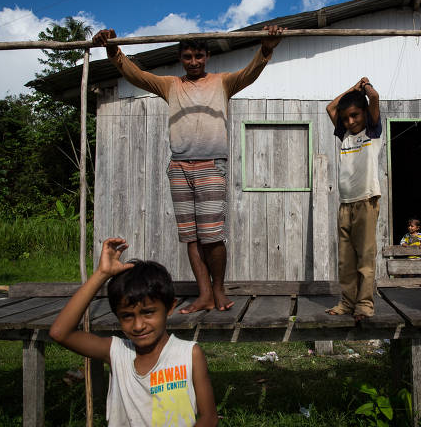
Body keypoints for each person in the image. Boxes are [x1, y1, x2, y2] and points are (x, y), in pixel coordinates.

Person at [93, 26, 284, 313]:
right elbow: (137, 76)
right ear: (181, 58)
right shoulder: (171, 85)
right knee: (191, 236)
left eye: (198, 56)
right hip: (179, 167)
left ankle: (218, 290)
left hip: (210, 164)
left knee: (212, 236)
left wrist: (266, 48)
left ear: (207, 56)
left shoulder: (223, 82)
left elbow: (250, 73)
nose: (193, 62)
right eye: (187, 57)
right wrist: (113, 52)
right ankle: (204, 293)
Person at [50, 238, 218, 426]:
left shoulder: (188, 354)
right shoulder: (117, 352)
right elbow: (60, 333)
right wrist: (101, 274)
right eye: (127, 316)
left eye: (148, 312)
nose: (138, 326)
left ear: (170, 307)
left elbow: (209, 418)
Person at [325, 77, 382, 321]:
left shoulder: (372, 130)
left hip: (367, 201)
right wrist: (352, 88)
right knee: (346, 259)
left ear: (364, 113)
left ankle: (365, 305)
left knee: (365, 258)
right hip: (345, 204)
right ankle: (347, 303)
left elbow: (375, 98)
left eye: (355, 115)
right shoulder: (344, 134)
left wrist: (365, 88)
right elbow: (331, 108)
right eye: (346, 117)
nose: (350, 121)